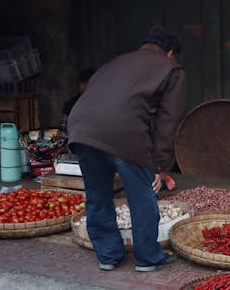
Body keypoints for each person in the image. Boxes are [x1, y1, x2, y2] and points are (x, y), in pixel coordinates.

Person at [67, 26, 186, 272]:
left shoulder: (115, 62)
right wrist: (159, 166)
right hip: (123, 131)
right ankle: (148, 258)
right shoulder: (172, 70)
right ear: (170, 53)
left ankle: (108, 256)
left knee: (98, 196)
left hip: (81, 128)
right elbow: (167, 121)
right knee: (142, 197)